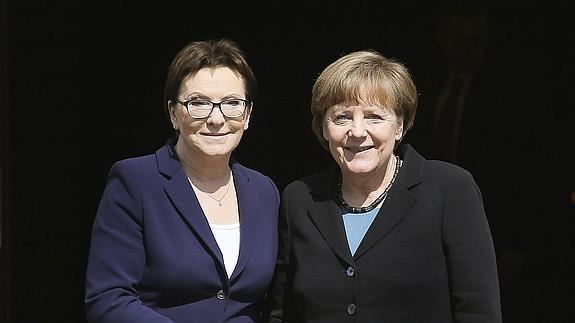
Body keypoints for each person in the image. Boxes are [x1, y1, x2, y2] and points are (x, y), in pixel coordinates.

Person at [265, 50, 502, 322]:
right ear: (323, 127)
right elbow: (281, 313)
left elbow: (478, 311)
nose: (357, 131)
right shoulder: (300, 199)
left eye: (374, 117)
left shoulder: (449, 189)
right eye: (342, 117)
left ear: (399, 125)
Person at [85, 39, 280, 323]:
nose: (216, 118)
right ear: (173, 113)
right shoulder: (135, 182)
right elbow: (108, 299)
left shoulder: (265, 191)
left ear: (247, 115)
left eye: (232, 103)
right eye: (198, 103)